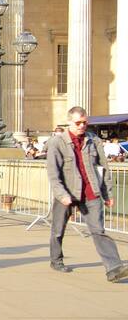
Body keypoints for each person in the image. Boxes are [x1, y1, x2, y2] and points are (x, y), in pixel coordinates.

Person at [46, 106, 128, 281]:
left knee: (99, 230)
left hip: (90, 192)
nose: (82, 126)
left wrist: (107, 194)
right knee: (58, 229)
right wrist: (62, 194)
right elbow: (53, 174)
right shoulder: (57, 142)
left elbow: (104, 168)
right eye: (78, 123)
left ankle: (113, 268)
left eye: (85, 122)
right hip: (67, 192)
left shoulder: (93, 140)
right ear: (69, 122)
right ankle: (56, 260)